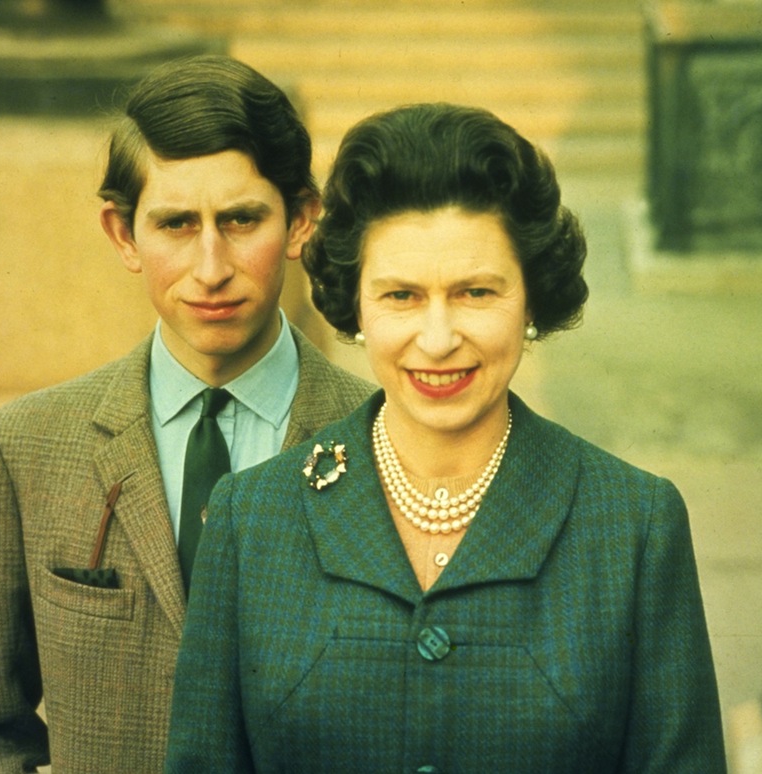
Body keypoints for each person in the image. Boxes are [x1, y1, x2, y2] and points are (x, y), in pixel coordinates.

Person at [165, 103, 726, 772]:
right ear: (356, 304)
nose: (436, 340)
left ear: (531, 299)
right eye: (401, 296)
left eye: (475, 293)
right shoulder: (251, 518)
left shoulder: (632, 524)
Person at [0, 54, 374, 773]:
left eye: (241, 220)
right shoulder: (27, 446)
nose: (210, 267)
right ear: (124, 235)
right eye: (175, 224)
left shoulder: (386, 438)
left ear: (300, 220)